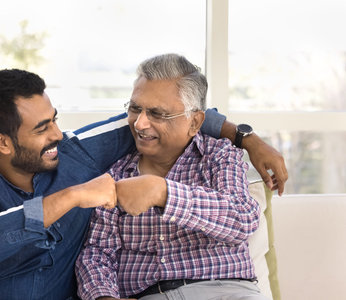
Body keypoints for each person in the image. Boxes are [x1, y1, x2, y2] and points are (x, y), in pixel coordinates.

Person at [0, 68, 284, 300]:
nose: (58, 134)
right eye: (42, 129)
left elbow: (175, 113)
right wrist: (70, 197)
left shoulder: (75, 152)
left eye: (54, 120)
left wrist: (248, 140)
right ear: (3, 142)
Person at [75, 54, 269, 300]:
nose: (140, 124)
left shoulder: (218, 156)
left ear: (195, 122)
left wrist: (163, 192)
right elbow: (97, 253)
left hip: (225, 291)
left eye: (157, 114)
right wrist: (104, 297)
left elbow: (241, 219)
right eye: (136, 109)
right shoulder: (116, 174)